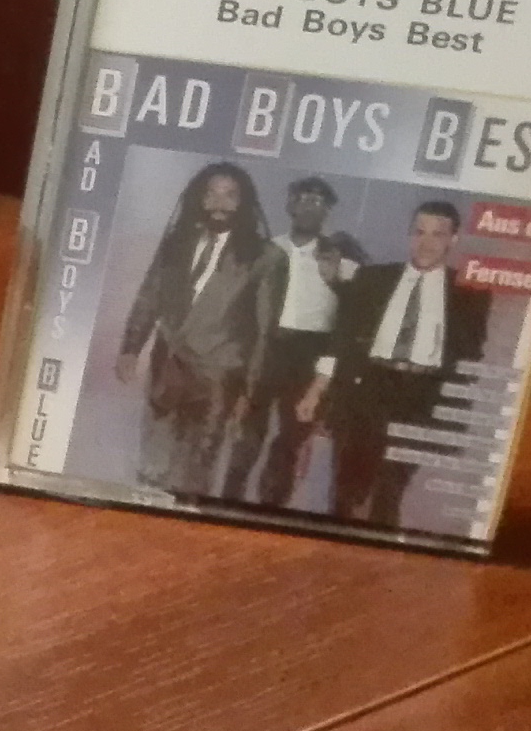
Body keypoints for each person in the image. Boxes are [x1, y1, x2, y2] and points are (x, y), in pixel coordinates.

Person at [294, 200, 491, 528]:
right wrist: (315, 392)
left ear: (453, 239)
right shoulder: (373, 279)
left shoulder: (470, 294)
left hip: (421, 397)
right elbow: (341, 342)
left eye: (437, 234)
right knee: (347, 488)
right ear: (409, 234)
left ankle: (375, 548)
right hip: (367, 389)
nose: (426, 242)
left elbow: (470, 358)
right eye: (419, 232)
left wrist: (454, 414)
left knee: (389, 488)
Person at [114, 162, 281, 494]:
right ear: (198, 198)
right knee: (152, 464)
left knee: (196, 471)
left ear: (244, 202)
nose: (219, 203)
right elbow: (150, 295)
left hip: (218, 380)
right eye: (211, 194)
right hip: (167, 368)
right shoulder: (177, 242)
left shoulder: (266, 257)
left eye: (230, 195)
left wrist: (249, 394)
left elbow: (265, 333)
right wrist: (131, 348)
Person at [234, 176, 362, 508]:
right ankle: (227, 502)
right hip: (266, 348)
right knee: (247, 434)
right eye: (303, 199)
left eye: (318, 202)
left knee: (291, 438)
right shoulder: (265, 250)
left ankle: (269, 509)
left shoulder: (343, 261)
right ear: (290, 204)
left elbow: (353, 317)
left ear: (327, 211)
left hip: (309, 355)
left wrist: (336, 282)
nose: (309, 207)